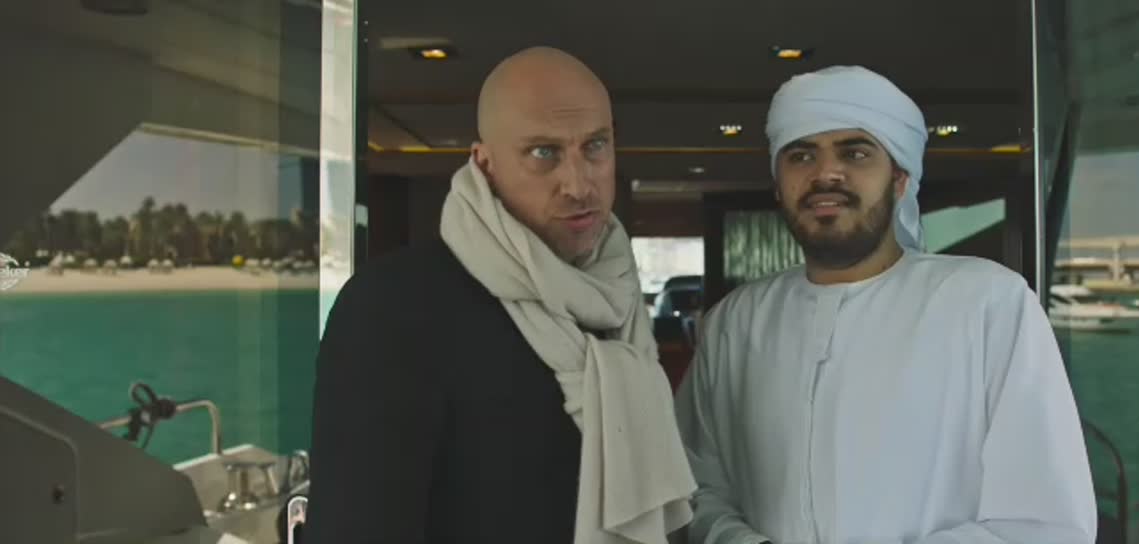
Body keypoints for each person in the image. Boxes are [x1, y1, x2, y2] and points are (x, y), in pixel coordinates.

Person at [674, 66, 1097, 544]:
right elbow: (693, 486)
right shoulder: (737, 321)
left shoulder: (986, 303)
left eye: (855, 152)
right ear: (778, 184)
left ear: (899, 180)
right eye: (801, 155)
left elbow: (1044, 519)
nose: (825, 173)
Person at [307, 46, 695, 543]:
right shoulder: (394, 307)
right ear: (484, 164)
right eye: (544, 153)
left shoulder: (614, 296)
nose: (578, 184)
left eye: (595, 146)